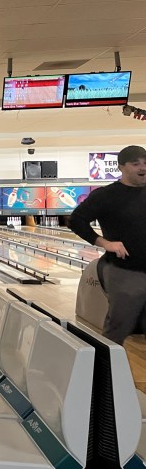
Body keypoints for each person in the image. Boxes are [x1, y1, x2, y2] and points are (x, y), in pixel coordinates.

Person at [69, 145, 146, 344]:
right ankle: (103, 374)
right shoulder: (106, 195)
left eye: (145, 162)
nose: (142, 167)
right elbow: (76, 220)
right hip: (126, 271)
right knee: (118, 329)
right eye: (135, 163)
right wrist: (105, 243)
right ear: (121, 167)